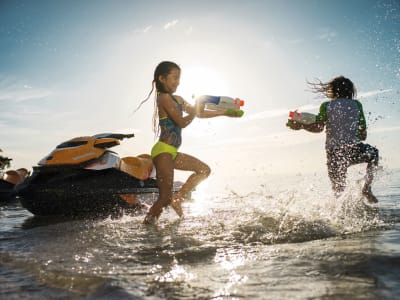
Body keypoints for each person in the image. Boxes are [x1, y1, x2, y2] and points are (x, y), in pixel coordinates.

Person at [138, 61, 241, 224]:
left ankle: (178, 198)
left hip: (172, 152)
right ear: (162, 78)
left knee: (204, 170)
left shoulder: (177, 99)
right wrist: (194, 111)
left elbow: (198, 113)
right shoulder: (163, 98)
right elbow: (181, 122)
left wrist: (225, 112)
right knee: (164, 198)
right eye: (174, 78)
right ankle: (147, 226)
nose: (178, 82)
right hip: (162, 151)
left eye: (179, 78)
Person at [287, 76, 379, 203]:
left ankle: (336, 216)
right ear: (351, 91)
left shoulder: (327, 106)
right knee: (374, 153)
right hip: (354, 149)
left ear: (333, 91)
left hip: (334, 153)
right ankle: (367, 188)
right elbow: (363, 135)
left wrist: (301, 125)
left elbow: (318, 128)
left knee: (338, 192)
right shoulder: (357, 105)